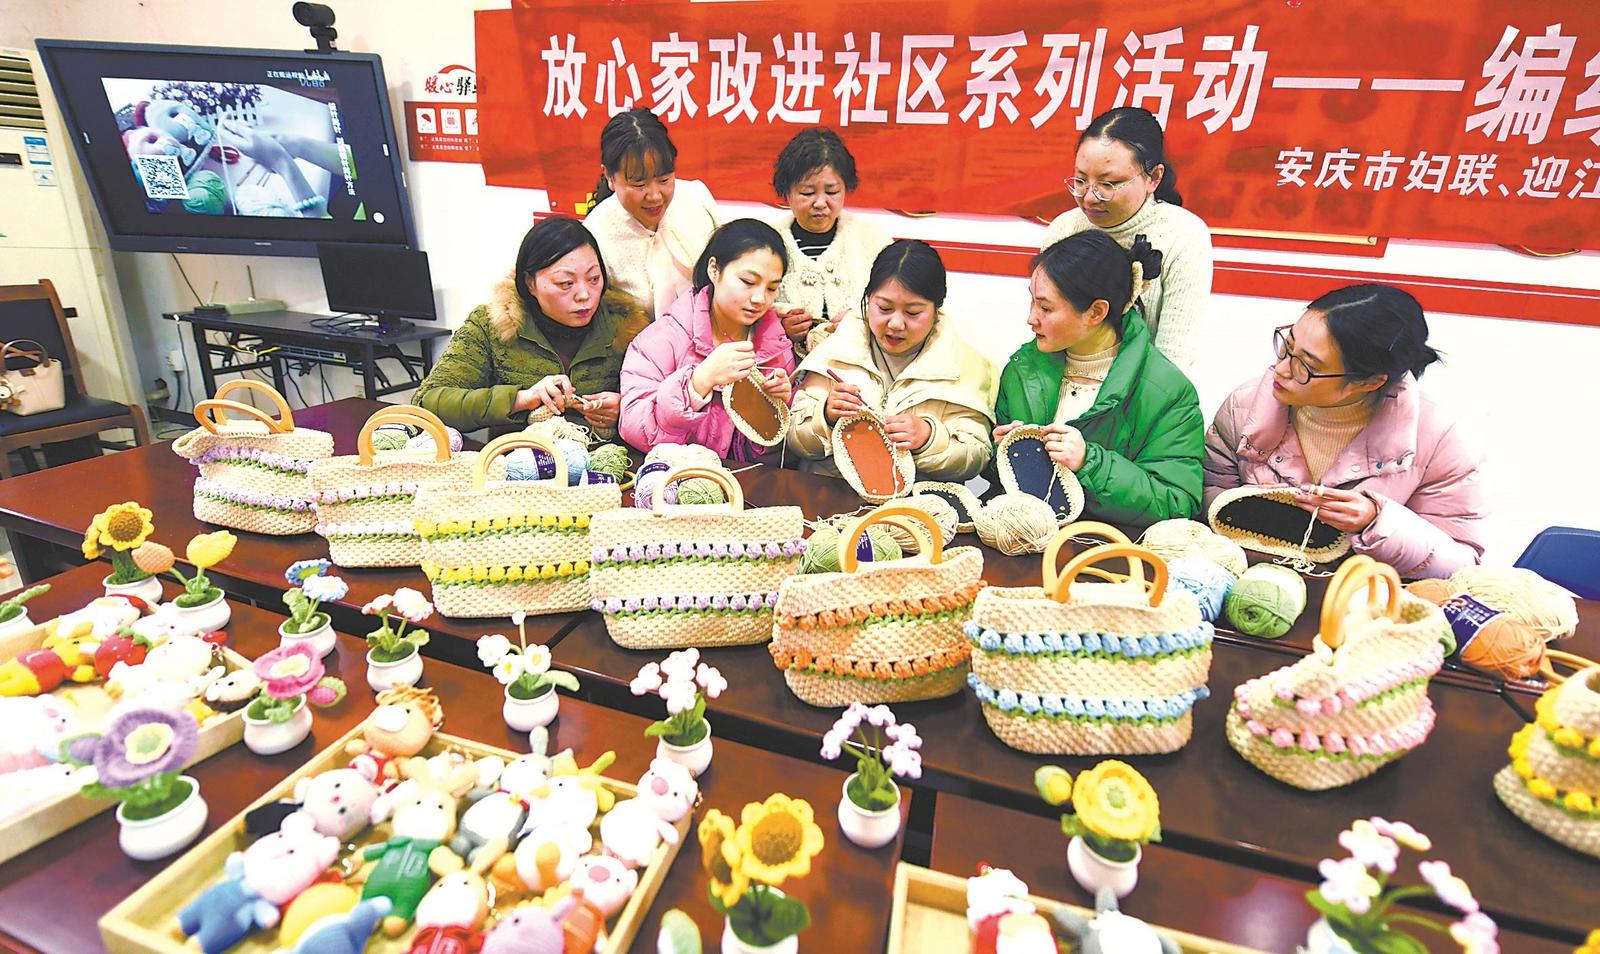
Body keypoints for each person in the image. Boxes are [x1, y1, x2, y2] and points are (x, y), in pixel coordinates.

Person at [1203, 284, 1486, 579]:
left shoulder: (1441, 440)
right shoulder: (1244, 407)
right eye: (1287, 346)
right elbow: (1210, 493)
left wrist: (1376, 522)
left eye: (1306, 366)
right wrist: (1248, 509)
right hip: (1250, 583)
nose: (1282, 369)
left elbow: (1460, 564)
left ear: (1368, 382)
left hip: (1360, 598)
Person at [994, 231, 1203, 524]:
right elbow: (1003, 485)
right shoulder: (1022, 370)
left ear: (1096, 312)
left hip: (1113, 544)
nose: (1031, 318)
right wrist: (1004, 453)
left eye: (1046, 308)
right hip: (1026, 535)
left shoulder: (1167, 391)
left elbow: (1177, 503)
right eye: (1032, 301)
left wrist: (1089, 463)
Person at [413, 217, 645, 436]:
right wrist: (519, 400)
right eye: (566, 283)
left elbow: (658, 405)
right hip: (511, 461)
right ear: (530, 283)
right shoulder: (491, 325)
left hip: (606, 462)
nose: (585, 295)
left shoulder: (626, 328)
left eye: (594, 279)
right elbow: (427, 403)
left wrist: (628, 409)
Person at [789, 240, 996, 481]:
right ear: (868, 299)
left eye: (913, 312)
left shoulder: (964, 364)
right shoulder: (836, 348)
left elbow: (977, 455)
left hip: (916, 501)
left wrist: (929, 438)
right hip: (830, 492)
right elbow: (794, 438)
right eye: (884, 308)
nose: (896, 324)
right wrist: (824, 416)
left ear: (936, 309)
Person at [1040, 107, 1212, 369]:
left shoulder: (1183, 236)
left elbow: (1174, 360)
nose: (1089, 197)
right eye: (1081, 180)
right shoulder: (1063, 229)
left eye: (1108, 184)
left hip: (1144, 387)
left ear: (1154, 178)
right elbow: (1045, 331)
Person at [619, 219, 796, 461]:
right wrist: (698, 382)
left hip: (738, 482)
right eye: (748, 282)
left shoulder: (775, 346)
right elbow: (634, 428)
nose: (759, 298)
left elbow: (774, 458)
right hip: (672, 478)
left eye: (771, 288)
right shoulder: (663, 338)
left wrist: (773, 411)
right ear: (714, 269)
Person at [583, 107, 720, 319]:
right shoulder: (596, 233)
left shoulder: (696, 197)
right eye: (639, 184)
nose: (655, 196)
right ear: (609, 176)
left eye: (664, 180)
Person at [768, 128, 892, 357]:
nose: (820, 203)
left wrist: (861, 321)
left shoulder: (871, 237)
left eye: (832, 191)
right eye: (807, 192)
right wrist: (777, 330)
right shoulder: (766, 242)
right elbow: (745, 312)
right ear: (787, 193)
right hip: (788, 369)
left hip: (860, 362)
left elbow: (898, 302)